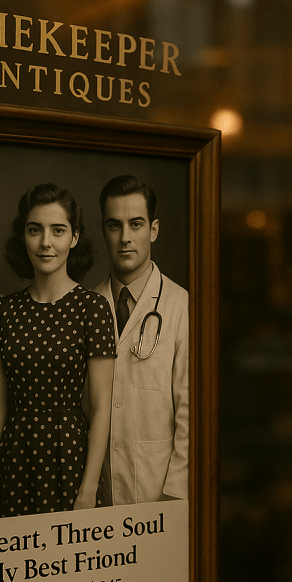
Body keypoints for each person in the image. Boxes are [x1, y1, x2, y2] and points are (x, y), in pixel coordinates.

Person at [0, 183, 115, 518]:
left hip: (71, 461)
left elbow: (101, 408)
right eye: (35, 230)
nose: (46, 242)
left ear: (75, 237)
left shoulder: (92, 308)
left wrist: (88, 490)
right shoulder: (5, 310)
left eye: (58, 230)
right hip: (14, 462)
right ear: (23, 236)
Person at [94, 175, 189, 505]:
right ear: (103, 230)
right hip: (98, 498)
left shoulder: (181, 307)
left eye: (136, 224)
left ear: (154, 229)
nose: (124, 238)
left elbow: (190, 413)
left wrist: (175, 497)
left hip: (160, 497)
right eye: (114, 225)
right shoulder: (87, 306)